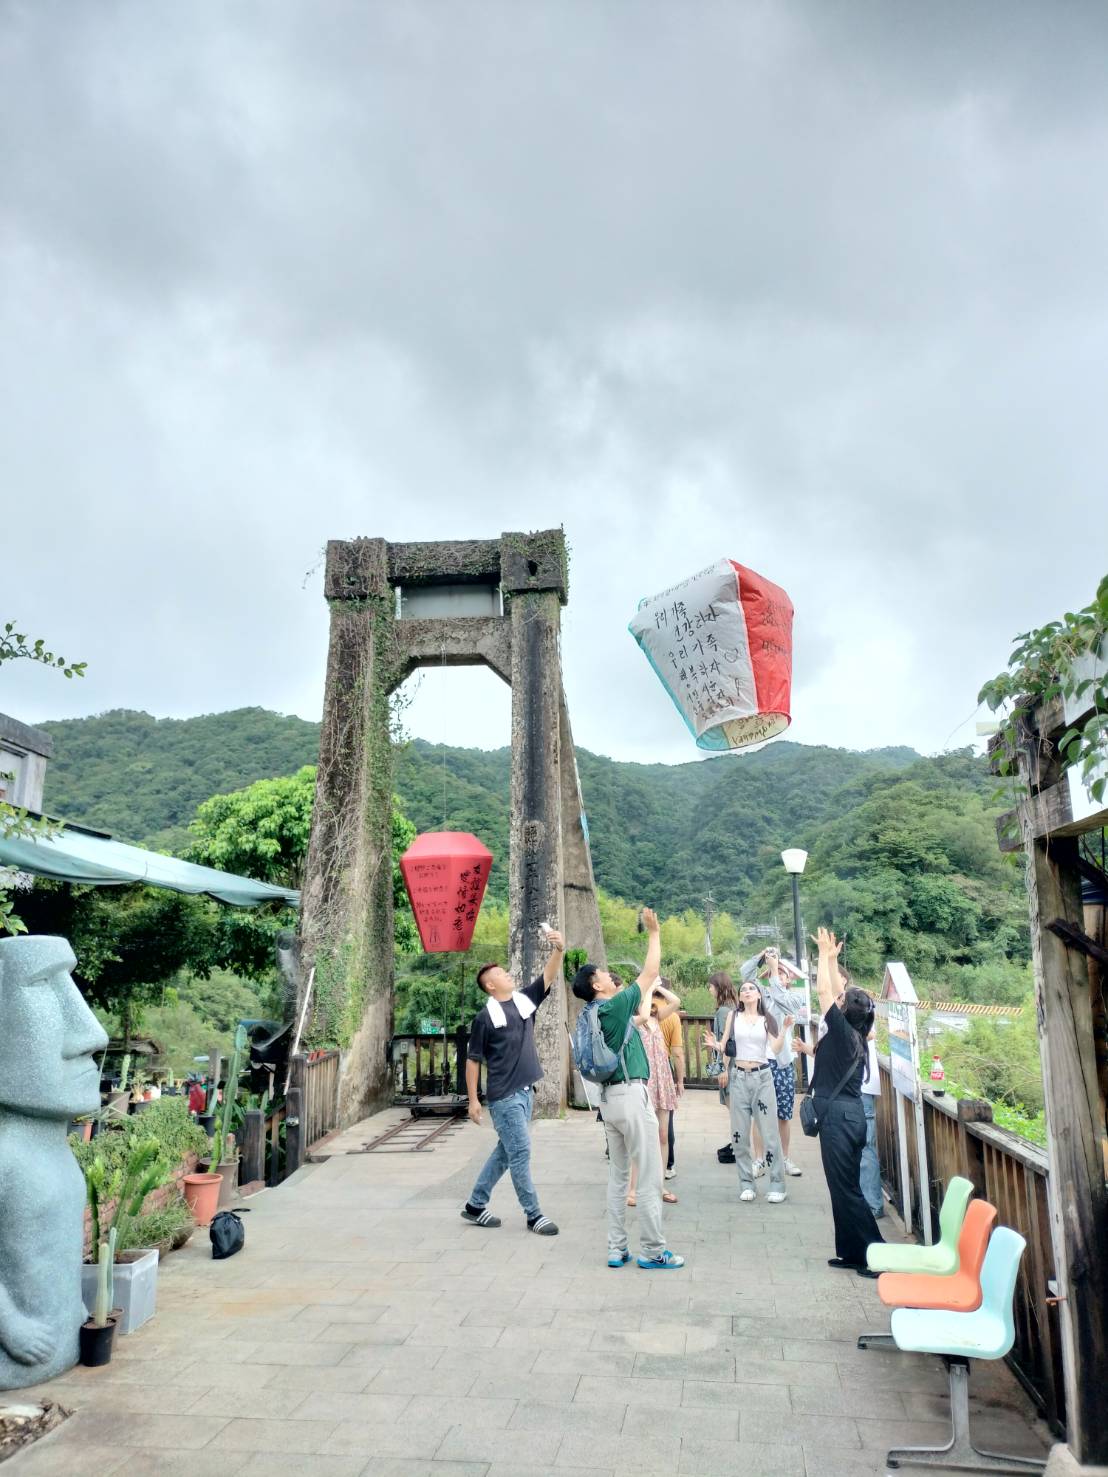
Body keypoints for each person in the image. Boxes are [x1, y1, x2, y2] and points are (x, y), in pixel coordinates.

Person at [572, 908, 684, 1270]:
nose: (608, 975)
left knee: (618, 1177)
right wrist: (653, 933)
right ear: (597, 985)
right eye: (603, 974)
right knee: (650, 1173)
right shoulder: (613, 1006)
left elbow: (640, 1020)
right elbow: (649, 973)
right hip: (631, 1098)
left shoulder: (590, 1015)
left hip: (608, 1101)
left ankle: (616, 1248)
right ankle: (653, 1251)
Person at [461, 925, 565, 1235]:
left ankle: (475, 1205)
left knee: (506, 1152)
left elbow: (547, 977)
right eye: (502, 974)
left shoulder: (522, 1002)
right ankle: (533, 1214)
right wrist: (474, 1100)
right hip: (504, 1096)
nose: (508, 975)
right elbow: (473, 1059)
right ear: (490, 985)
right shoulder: (485, 1018)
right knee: (519, 1151)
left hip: (525, 1092)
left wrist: (558, 949)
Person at [811, 926, 884, 1273]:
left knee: (847, 1190)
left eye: (842, 1003)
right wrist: (833, 958)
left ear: (846, 1011)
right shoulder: (857, 1034)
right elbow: (840, 994)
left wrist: (826, 958)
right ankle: (852, 1252)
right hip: (850, 1116)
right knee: (842, 1188)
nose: (837, 1002)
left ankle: (876, 1256)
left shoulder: (843, 1035)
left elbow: (826, 991)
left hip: (840, 1120)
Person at [706, 979, 792, 1204]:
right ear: (740, 996)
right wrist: (716, 1047)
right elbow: (726, 1044)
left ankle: (777, 1183)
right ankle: (746, 1183)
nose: (747, 991)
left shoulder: (767, 1020)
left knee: (769, 1132)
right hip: (739, 1077)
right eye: (743, 989)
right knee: (739, 1134)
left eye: (751, 988)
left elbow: (774, 1048)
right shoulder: (734, 1017)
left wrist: (783, 1030)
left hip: (763, 1076)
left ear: (759, 994)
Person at [752, 948, 806, 1179]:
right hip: (761, 1062)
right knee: (759, 1112)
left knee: (784, 1114)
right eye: (776, 972)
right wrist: (760, 959)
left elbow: (784, 1001)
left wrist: (775, 973)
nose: (779, 975)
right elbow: (744, 977)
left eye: (783, 973)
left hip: (782, 1064)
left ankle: (783, 1158)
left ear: (788, 979)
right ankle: (759, 1159)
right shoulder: (759, 997)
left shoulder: (794, 997)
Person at [626, 982, 682, 1207]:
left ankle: (658, 1185)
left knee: (662, 1136)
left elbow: (676, 1002)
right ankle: (633, 1188)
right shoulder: (632, 1021)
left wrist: (658, 986)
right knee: (641, 1137)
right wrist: (647, 987)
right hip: (644, 1081)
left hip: (662, 1079)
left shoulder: (657, 1017)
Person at [704, 971, 739, 1162]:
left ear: (718, 987)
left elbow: (729, 1042)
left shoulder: (724, 1011)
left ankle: (737, 1147)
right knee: (735, 1110)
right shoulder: (732, 1007)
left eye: (710, 986)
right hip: (731, 1065)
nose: (709, 990)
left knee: (734, 1110)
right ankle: (736, 1145)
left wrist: (723, 1068)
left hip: (730, 1067)